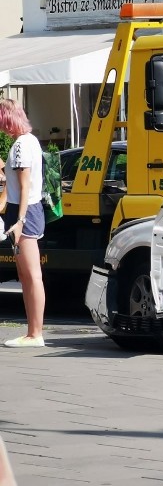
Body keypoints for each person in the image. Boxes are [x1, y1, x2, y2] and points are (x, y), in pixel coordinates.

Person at [0, 99, 46, 348]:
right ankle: (33, 332)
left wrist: (19, 220)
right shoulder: (30, 141)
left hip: (23, 211)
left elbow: (25, 185)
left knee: (30, 275)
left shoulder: (20, 145)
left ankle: (34, 333)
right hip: (28, 210)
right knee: (27, 275)